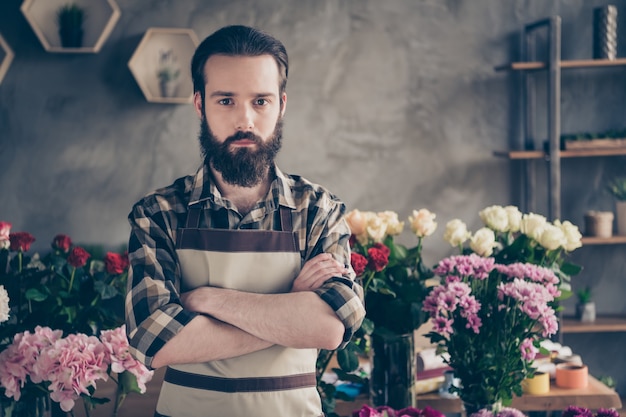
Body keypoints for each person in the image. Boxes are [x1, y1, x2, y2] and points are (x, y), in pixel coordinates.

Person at [125, 25, 365, 417]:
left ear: (282, 105)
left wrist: (207, 300)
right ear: (199, 104)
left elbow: (330, 328)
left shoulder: (318, 210)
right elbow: (154, 341)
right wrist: (289, 311)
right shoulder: (159, 213)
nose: (245, 119)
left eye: (260, 101)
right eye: (226, 101)